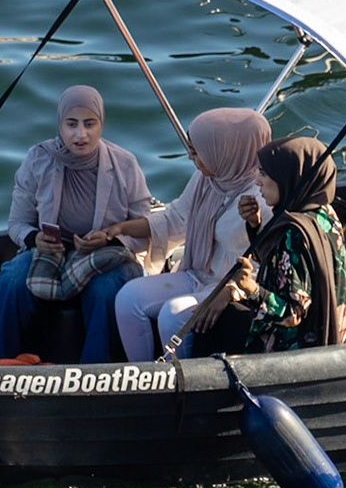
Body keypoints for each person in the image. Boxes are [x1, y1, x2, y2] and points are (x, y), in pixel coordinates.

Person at [0, 85, 153, 363]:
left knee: (105, 291)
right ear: (60, 125)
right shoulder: (37, 159)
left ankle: (94, 378)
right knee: (12, 278)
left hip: (108, 256)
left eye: (90, 124)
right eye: (71, 124)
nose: (81, 134)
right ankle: (0, 366)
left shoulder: (125, 164)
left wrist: (111, 239)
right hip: (50, 253)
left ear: (101, 124)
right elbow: (17, 222)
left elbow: (145, 227)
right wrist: (33, 239)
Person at [101, 107, 271, 361]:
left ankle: (179, 386)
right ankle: (144, 376)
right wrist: (119, 229)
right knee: (128, 298)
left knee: (173, 314)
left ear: (227, 150)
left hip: (229, 285)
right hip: (198, 272)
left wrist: (231, 289)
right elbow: (175, 219)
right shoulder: (207, 180)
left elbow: (267, 262)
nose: (191, 156)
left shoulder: (263, 197)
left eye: (197, 150)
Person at [190, 136, 346, 355]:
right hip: (337, 332)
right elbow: (286, 265)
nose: (258, 181)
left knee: (210, 323)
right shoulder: (325, 214)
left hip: (299, 346)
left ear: (289, 178)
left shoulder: (295, 232)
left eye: (264, 174)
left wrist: (250, 288)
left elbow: (292, 313)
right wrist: (255, 225)